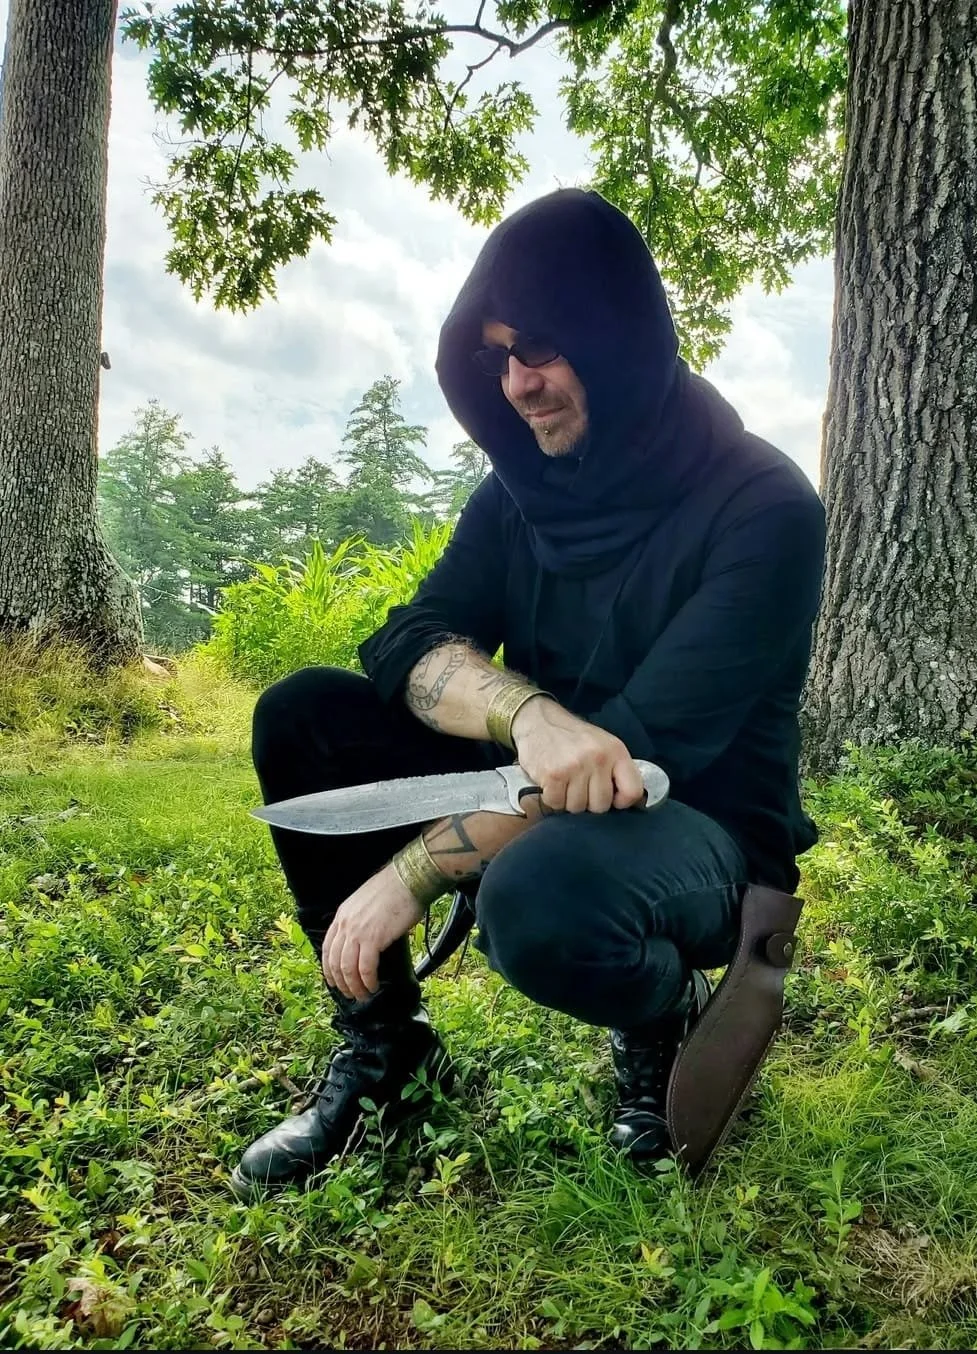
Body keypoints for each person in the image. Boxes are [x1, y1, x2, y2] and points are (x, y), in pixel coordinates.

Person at [230, 188, 825, 1201]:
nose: (516, 384)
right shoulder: (516, 490)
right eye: (495, 355)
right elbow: (408, 641)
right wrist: (526, 714)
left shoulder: (762, 508)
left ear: (617, 339)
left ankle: (655, 1013)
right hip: (536, 783)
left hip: (696, 822)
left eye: (539, 348)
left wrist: (411, 870)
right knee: (302, 714)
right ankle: (389, 1055)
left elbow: (639, 751)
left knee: (539, 894)